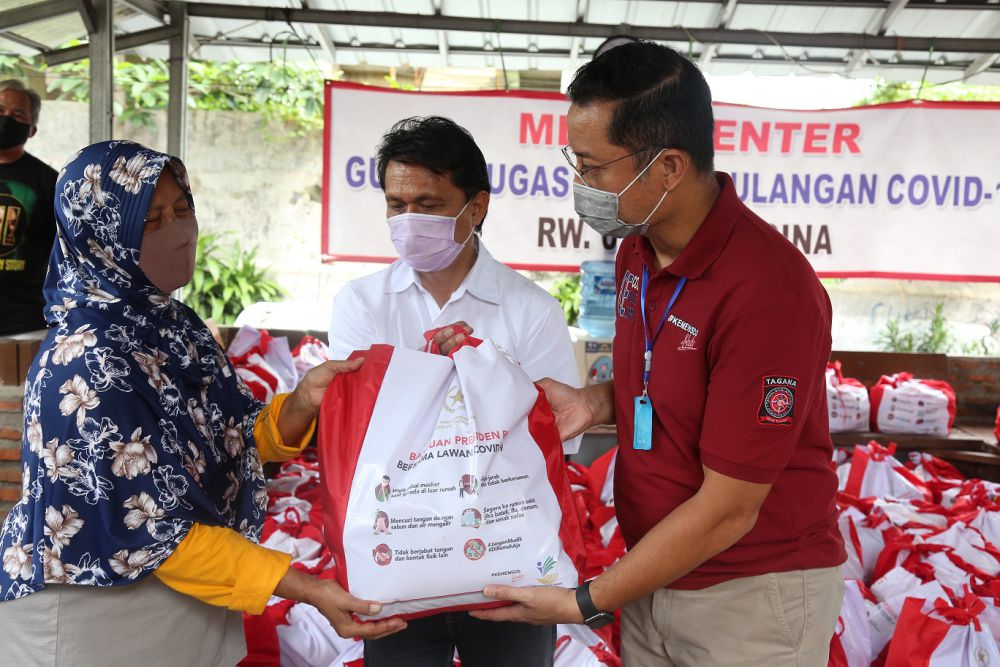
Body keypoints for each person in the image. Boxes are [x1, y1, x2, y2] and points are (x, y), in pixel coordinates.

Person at [470, 41, 846, 667]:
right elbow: (663, 378)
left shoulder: (768, 291)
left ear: (667, 167)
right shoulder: (636, 254)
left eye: (592, 167)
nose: (579, 184)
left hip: (749, 598)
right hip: (652, 574)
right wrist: (593, 401)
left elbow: (730, 510)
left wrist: (584, 600)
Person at [0, 140, 405, 666]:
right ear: (101, 236)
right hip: (96, 619)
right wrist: (308, 588)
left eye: (182, 208)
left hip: (191, 600)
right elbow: (158, 530)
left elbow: (231, 441)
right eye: (150, 220)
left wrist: (305, 400)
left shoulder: (173, 327)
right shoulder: (87, 361)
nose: (179, 229)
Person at [327, 116, 580, 667]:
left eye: (430, 203)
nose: (409, 218)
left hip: (506, 568)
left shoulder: (531, 311)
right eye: (397, 204)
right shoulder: (362, 303)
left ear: (477, 207)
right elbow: (353, 433)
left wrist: (424, 384)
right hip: (396, 555)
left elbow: (556, 441)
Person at [0, 80, 57, 335]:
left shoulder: (48, 181)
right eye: (0, 111)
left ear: (31, 129)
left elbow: (64, 251)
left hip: (26, 323)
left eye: (17, 114)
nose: (6, 119)